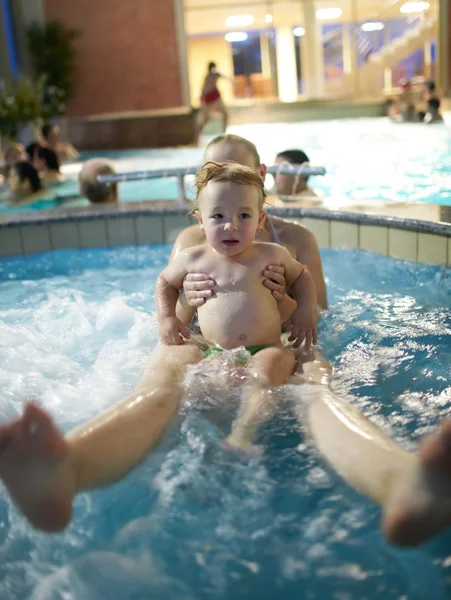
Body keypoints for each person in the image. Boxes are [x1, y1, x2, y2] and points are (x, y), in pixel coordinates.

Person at [2, 138, 451, 548]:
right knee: (162, 375)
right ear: (201, 197)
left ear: (260, 184)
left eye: (239, 180)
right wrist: (186, 304)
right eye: (214, 177)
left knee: (315, 379)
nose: (228, 198)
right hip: (205, 342)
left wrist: (286, 299)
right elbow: (175, 316)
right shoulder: (192, 242)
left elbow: (318, 316)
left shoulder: (295, 241)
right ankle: (68, 468)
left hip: (280, 339)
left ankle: (397, 481)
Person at [156, 161, 317, 451]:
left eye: (243, 215)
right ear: (200, 221)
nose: (231, 225)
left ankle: (244, 434)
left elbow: (302, 275)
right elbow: (165, 283)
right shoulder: (193, 259)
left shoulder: (272, 254)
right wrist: (167, 318)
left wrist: (305, 312)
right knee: (196, 387)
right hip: (218, 352)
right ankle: (200, 437)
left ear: (260, 220)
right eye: (218, 216)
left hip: (268, 347)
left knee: (266, 373)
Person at [195, 62, 232, 143]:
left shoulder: (208, 76)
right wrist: (232, 81)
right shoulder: (212, 74)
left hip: (210, 97)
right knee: (207, 119)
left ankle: (223, 134)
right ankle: (197, 138)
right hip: (209, 97)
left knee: (222, 115)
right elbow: (221, 74)